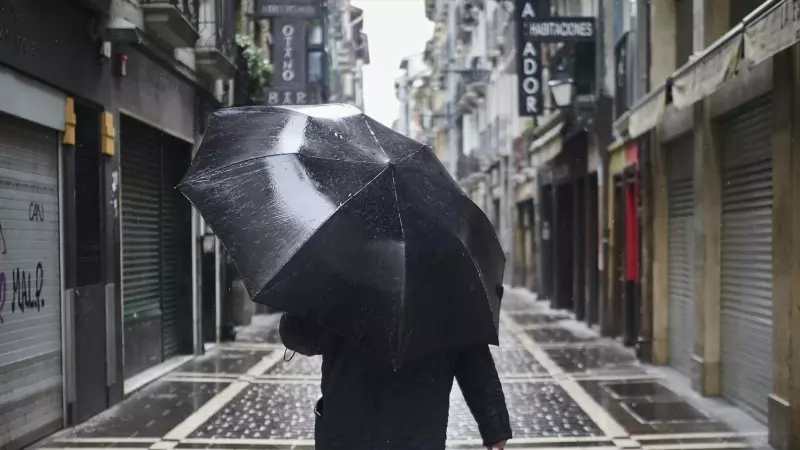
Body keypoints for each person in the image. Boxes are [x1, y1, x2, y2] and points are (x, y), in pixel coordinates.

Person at [279, 287, 511, 450]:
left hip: (348, 423)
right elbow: (473, 357)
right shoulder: (447, 277)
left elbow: (302, 338)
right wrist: (495, 426)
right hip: (418, 426)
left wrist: (296, 301)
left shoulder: (339, 267)